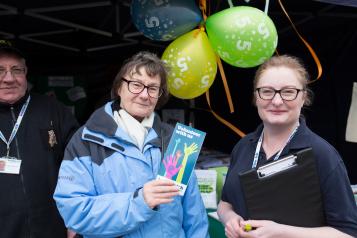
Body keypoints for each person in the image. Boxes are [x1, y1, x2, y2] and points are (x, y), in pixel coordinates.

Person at [53, 51, 209, 238]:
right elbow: (75, 211)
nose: (144, 95)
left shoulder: (176, 140)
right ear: (119, 88)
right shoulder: (86, 140)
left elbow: (194, 214)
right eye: (136, 85)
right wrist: (139, 202)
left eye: (152, 88)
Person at [217, 55, 357, 238]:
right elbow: (225, 203)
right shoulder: (243, 146)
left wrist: (281, 232)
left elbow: (348, 233)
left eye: (288, 92)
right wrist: (229, 218)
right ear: (256, 97)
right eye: (267, 91)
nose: (276, 101)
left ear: (303, 97)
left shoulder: (322, 155)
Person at [0, 39, 79, 238]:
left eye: (16, 70)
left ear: (26, 73)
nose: (9, 78)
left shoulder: (53, 109)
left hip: (52, 229)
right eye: (0, 70)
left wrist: (76, 220)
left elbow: (81, 165)